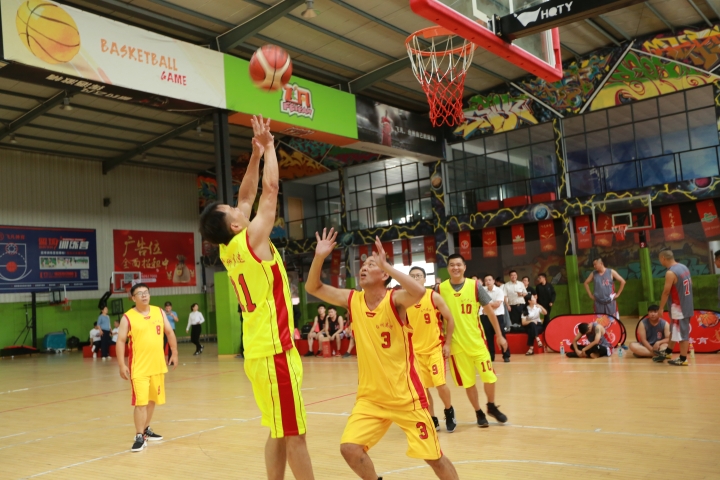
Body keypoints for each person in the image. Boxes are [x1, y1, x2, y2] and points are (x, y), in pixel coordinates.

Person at [199, 115, 315, 480]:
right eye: (234, 210)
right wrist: (269, 148)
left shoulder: (230, 247)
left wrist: (252, 155)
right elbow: (270, 190)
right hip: (273, 352)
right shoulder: (251, 240)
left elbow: (247, 195)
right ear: (235, 224)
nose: (239, 206)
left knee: (279, 430)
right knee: (295, 435)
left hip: (261, 350)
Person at [306, 230, 458, 480]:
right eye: (363, 265)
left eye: (371, 264)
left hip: (406, 397)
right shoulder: (352, 299)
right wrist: (319, 257)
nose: (363, 268)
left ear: (384, 275)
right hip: (371, 398)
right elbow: (313, 287)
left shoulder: (395, 300)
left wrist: (388, 265)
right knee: (350, 449)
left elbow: (419, 293)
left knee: (434, 458)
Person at [439, 254, 508, 428]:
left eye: (458, 264)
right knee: (468, 383)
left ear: (464, 267)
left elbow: (490, 312)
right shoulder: (440, 289)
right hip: (456, 345)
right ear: (448, 268)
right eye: (452, 265)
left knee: (490, 377)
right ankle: (479, 412)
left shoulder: (475, 286)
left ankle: (491, 406)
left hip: (477, 342)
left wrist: (499, 335)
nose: (455, 267)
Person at [115, 283, 178, 452]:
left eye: (146, 292)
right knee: (141, 403)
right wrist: (121, 364)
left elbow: (169, 332)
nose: (144, 295)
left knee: (151, 401)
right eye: (139, 293)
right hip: (139, 368)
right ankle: (138, 436)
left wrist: (174, 352)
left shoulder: (159, 312)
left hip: (157, 366)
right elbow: (121, 341)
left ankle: (145, 429)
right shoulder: (128, 317)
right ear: (133, 298)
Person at [407, 266, 457, 433]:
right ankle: (432, 418)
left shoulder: (433, 296)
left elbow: (449, 319)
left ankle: (449, 411)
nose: (415, 278)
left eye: (418, 276)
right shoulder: (403, 300)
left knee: (440, 384)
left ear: (424, 279)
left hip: (435, 348)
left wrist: (447, 344)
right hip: (416, 352)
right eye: (412, 276)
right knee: (424, 388)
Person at [653, 250, 694, 366]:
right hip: (686, 303)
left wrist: (661, 308)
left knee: (682, 333)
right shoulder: (683, 267)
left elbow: (666, 292)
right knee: (674, 329)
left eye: (659, 259)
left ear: (663, 258)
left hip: (679, 307)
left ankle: (683, 358)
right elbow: (690, 284)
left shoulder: (670, 273)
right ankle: (668, 352)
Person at [482, 274, 510, 363]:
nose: (488, 282)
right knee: (488, 337)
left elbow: (497, 304)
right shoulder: (483, 291)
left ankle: (506, 355)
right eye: (486, 280)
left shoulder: (499, 290)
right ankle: (491, 356)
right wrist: (490, 305)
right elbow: (482, 304)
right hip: (486, 316)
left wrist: (487, 306)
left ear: (494, 281)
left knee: (501, 335)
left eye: (489, 280)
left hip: (498, 316)